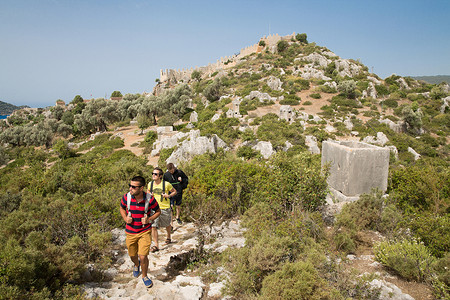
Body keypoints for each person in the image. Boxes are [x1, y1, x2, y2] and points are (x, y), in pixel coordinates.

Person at [119, 176, 160, 288]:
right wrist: (125, 218)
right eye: (130, 186)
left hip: (144, 231)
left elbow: (158, 211)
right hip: (130, 232)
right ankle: (136, 264)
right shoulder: (126, 197)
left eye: (133, 187)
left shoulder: (150, 199)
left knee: (143, 256)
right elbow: (122, 208)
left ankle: (144, 276)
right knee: (132, 255)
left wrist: (149, 219)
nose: (130, 189)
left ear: (141, 188)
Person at [147, 167, 177, 252]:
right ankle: (156, 245)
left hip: (164, 208)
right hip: (153, 208)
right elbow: (147, 191)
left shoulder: (166, 184)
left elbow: (175, 191)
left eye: (155, 174)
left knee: (167, 224)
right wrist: (149, 194)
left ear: (160, 176)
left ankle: (168, 236)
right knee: (153, 226)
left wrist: (168, 196)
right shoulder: (150, 184)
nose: (153, 175)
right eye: (153, 174)